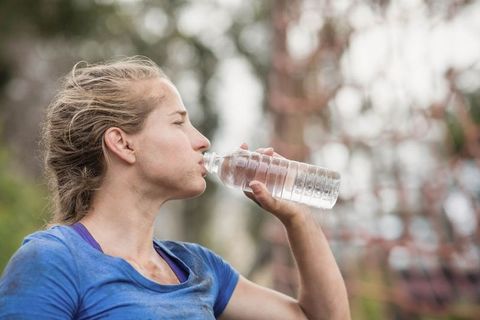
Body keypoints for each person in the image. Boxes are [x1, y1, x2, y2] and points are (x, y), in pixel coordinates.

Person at [0, 56, 350, 319]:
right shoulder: (54, 262)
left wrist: (296, 216)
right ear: (123, 144)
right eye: (179, 122)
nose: (202, 140)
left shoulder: (198, 266)